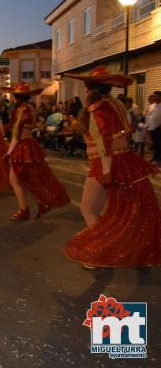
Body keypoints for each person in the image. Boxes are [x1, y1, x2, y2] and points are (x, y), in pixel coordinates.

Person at [63, 66, 160, 268]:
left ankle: (100, 252)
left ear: (89, 88)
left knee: (88, 208)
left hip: (107, 162)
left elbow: (103, 140)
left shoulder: (98, 107)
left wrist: (106, 170)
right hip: (125, 160)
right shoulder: (114, 103)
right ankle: (120, 249)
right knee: (116, 211)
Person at [3, 82, 70, 220]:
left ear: (16, 96)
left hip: (22, 146)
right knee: (27, 179)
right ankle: (39, 204)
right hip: (29, 145)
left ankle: (26, 209)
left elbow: (18, 134)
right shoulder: (29, 107)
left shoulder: (22, 110)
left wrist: (9, 152)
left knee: (16, 180)